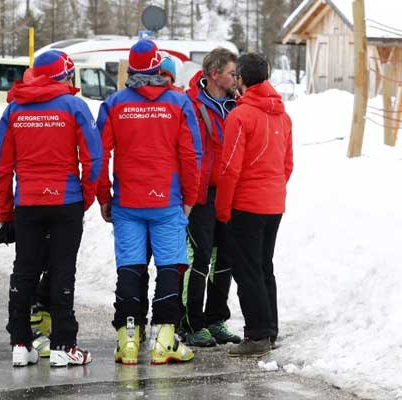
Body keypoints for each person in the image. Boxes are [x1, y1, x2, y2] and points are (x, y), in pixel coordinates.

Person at [0, 49, 102, 367]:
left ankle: (20, 342)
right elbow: (92, 158)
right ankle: (63, 344)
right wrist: (86, 196)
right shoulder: (74, 106)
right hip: (65, 200)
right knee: (63, 270)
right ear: (62, 75)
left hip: (28, 202)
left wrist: (5, 212)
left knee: (24, 271)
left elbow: (2, 166)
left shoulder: (14, 109)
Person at [96, 39, 202, 365]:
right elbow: (191, 155)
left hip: (128, 201)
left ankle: (128, 340)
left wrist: (104, 197)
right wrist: (190, 197)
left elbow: (100, 155)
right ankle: (165, 340)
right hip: (167, 201)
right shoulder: (178, 103)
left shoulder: (114, 104)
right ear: (159, 67)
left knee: (130, 267)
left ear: (131, 68)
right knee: (169, 266)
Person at [215, 53, 293, 357]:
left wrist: (223, 208)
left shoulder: (241, 116)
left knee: (247, 271)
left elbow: (230, 168)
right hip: (274, 202)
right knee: (264, 267)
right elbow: (288, 164)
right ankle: (269, 329)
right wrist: (273, 188)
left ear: (241, 80)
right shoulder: (283, 115)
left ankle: (257, 335)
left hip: (247, 203)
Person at [180, 47, 242, 347]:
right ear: (214, 74)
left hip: (228, 191)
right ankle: (191, 323)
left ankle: (216, 319)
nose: (236, 78)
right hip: (200, 193)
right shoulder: (190, 103)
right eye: (231, 73)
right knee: (200, 257)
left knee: (225, 258)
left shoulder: (236, 103)